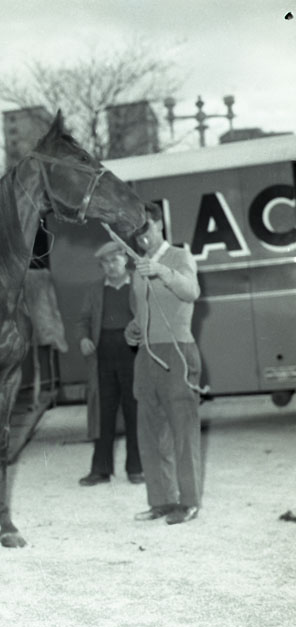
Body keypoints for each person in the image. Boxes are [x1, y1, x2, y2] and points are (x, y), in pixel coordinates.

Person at [125, 202, 203, 525]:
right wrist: (133, 329)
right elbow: (141, 311)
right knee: (150, 432)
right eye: (135, 230)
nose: (140, 235)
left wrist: (162, 271)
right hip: (147, 356)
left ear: (158, 224)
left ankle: (189, 502)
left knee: (183, 432)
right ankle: (161, 501)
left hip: (177, 352)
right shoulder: (137, 266)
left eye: (144, 227)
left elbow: (191, 291)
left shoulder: (180, 257)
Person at [78, 241, 144, 487]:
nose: (110, 266)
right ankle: (100, 470)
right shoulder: (94, 290)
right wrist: (83, 338)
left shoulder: (139, 284)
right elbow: (83, 320)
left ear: (125, 260)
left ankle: (136, 468)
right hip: (103, 354)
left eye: (114, 260)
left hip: (133, 353)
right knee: (103, 413)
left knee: (134, 410)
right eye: (105, 263)